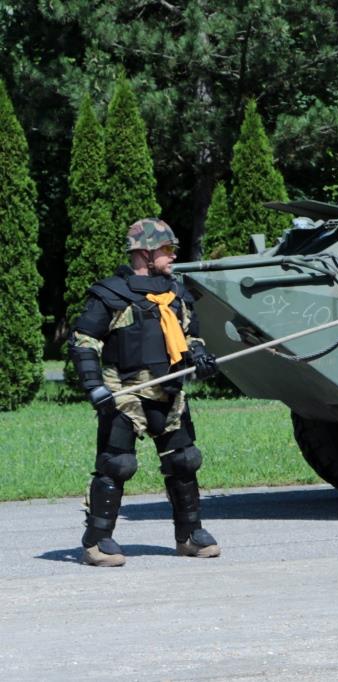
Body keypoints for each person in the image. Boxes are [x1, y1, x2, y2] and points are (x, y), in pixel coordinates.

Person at [68, 219, 221, 567]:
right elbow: (83, 341)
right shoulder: (110, 294)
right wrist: (94, 385)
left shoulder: (176, 294)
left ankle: (190, 535)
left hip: (169, 390)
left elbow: (190, 335)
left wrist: (199, 356)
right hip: (125, 391)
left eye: (172, 249)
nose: (172, 255)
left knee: (184, 461)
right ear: (145, 253)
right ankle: (97, 541)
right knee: (117, 464)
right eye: (166, 249)